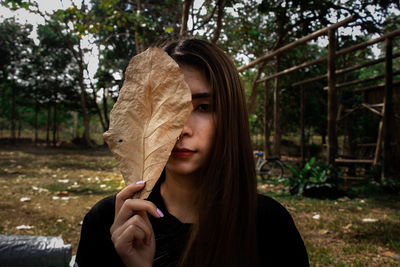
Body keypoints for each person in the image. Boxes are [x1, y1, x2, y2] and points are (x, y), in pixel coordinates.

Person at [76, 39, 309, 267]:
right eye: (165, 108)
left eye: (203, 108)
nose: (181, 129)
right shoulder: (109, 221)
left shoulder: (269, 226)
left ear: (230, 117)